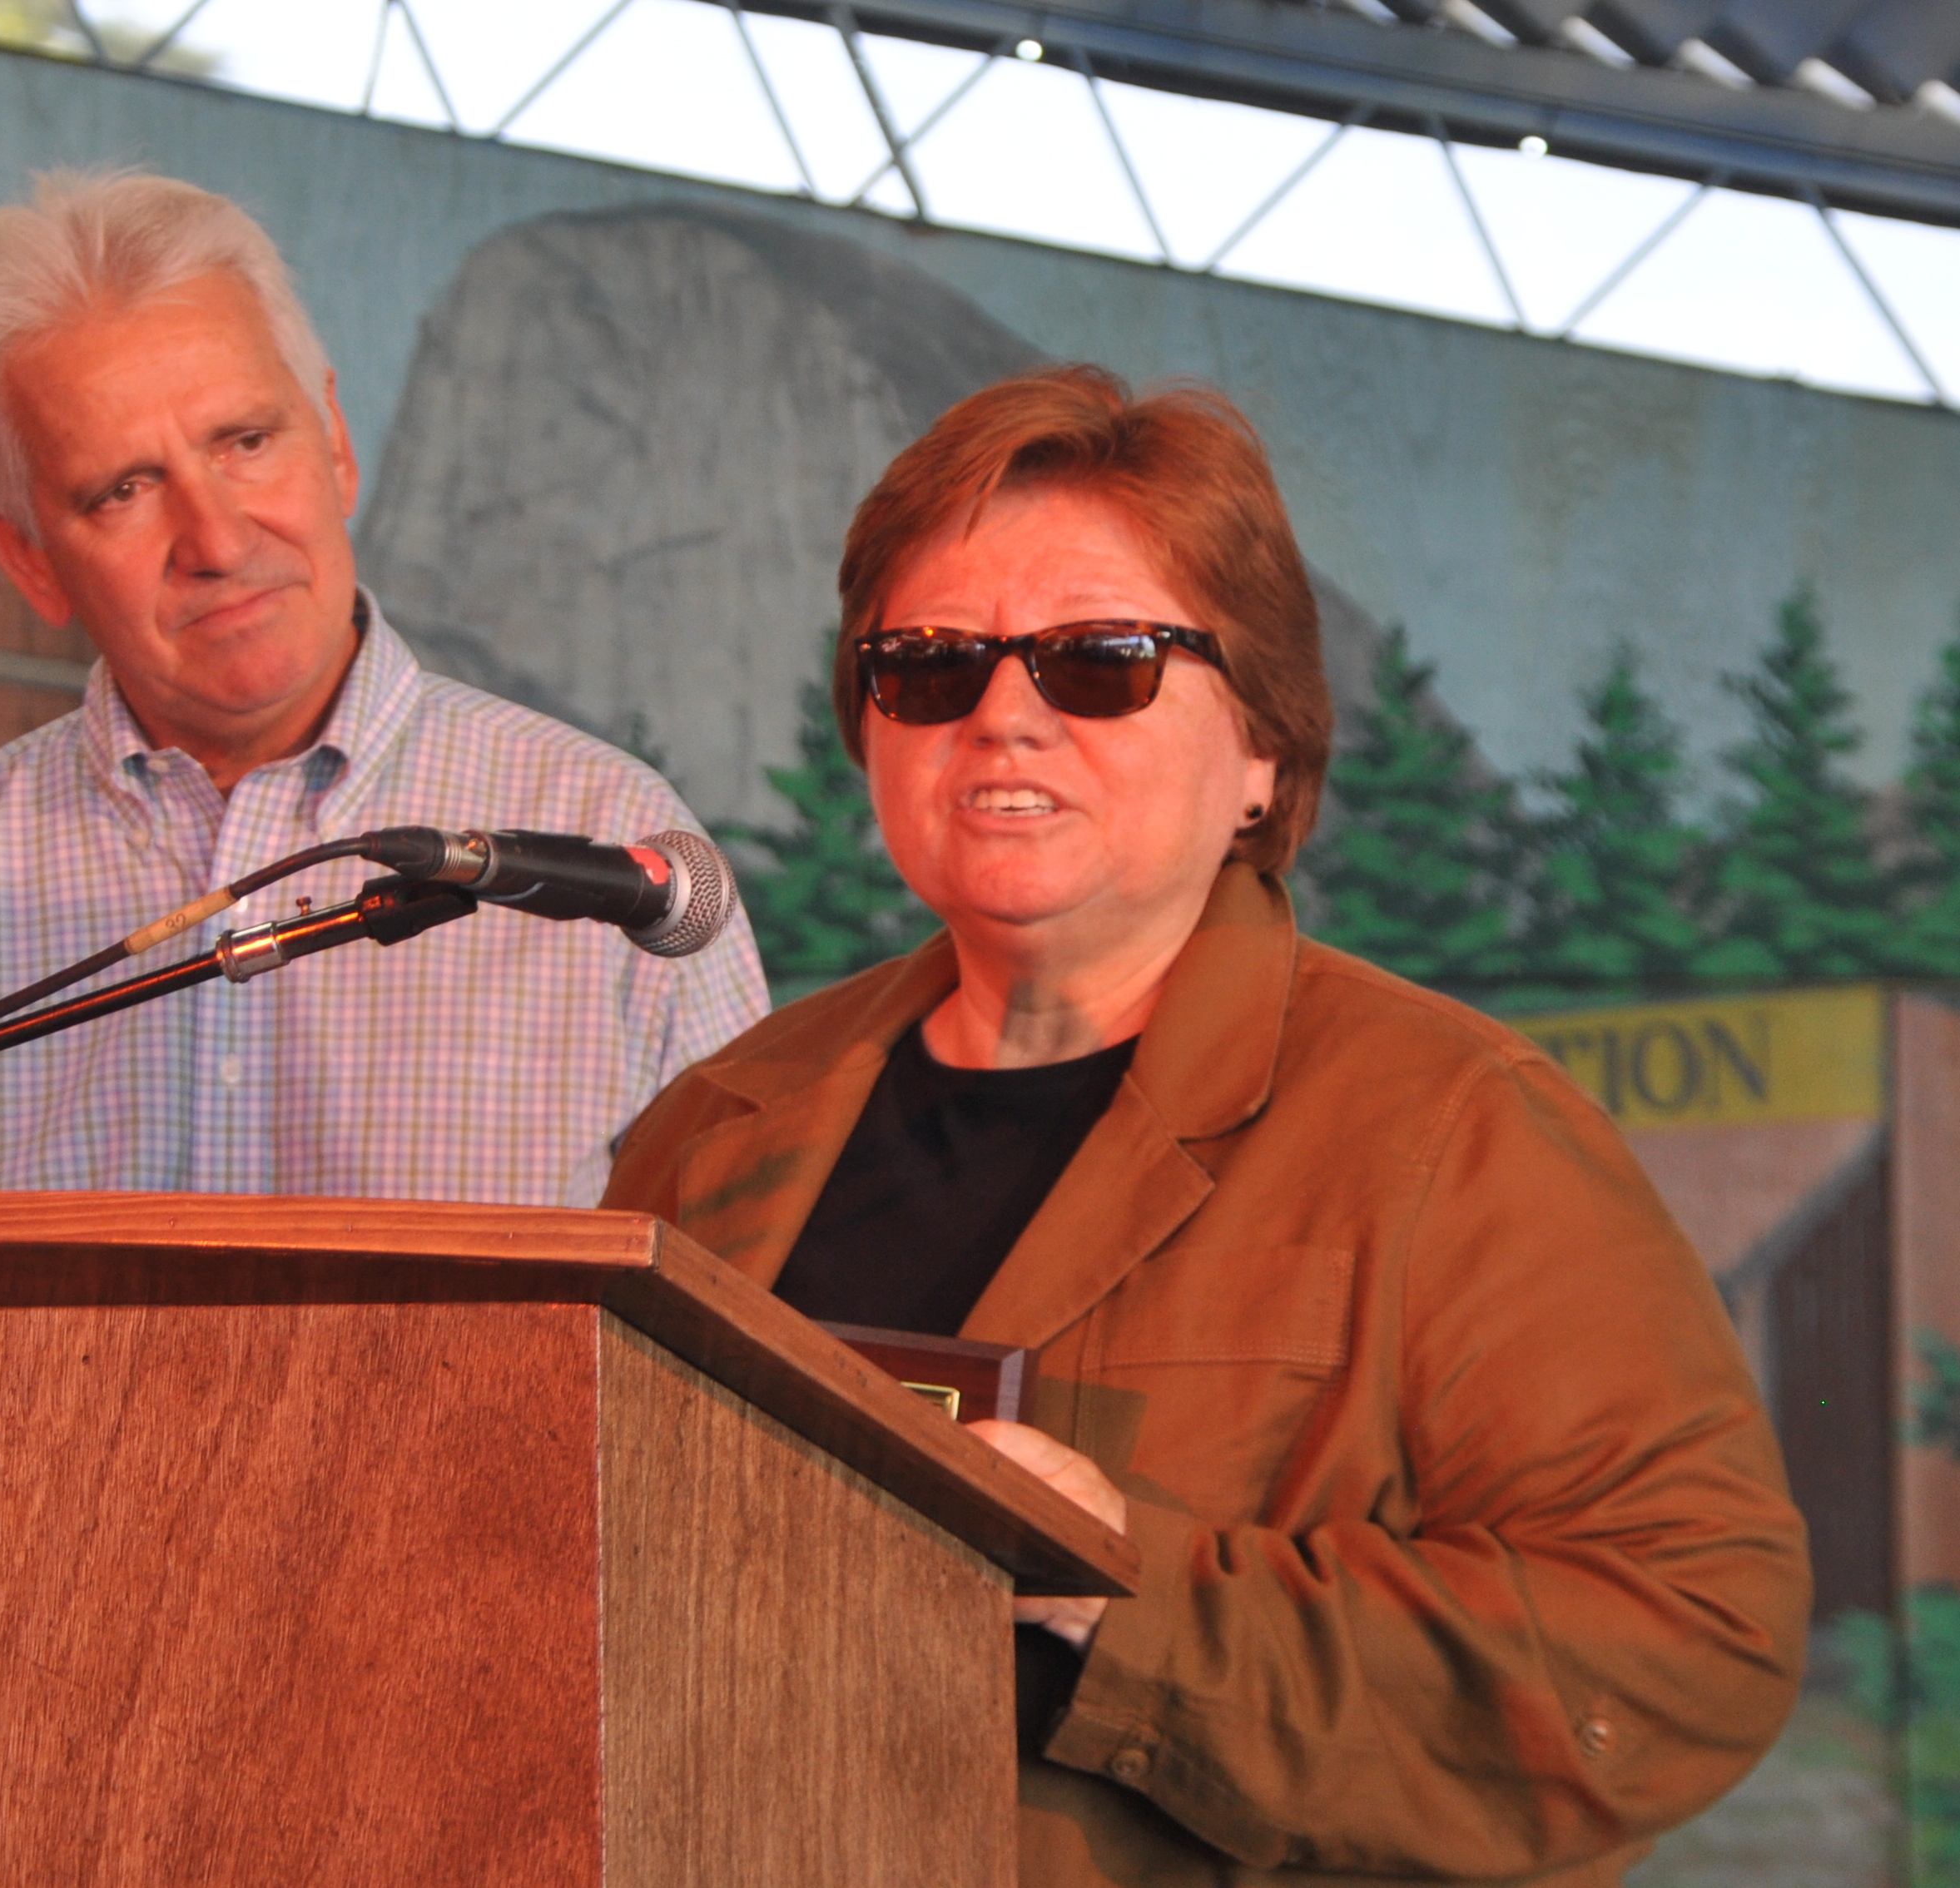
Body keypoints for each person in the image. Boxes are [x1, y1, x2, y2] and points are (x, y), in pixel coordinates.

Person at [601, 365, 1808, 1883]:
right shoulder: (717, 1123)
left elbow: (1690, 1643)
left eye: (1099, 661)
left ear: (1261, 749)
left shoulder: (1453, 1130)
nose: (1003, 717)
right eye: (930, 666)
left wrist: (1127, 1593)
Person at [0, 171, 764, 1204]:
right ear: (26, 556)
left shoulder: (614, 854)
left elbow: (756, 1306)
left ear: (334, 442)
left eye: (246, 442)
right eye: (122, 490)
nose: (214, 541)